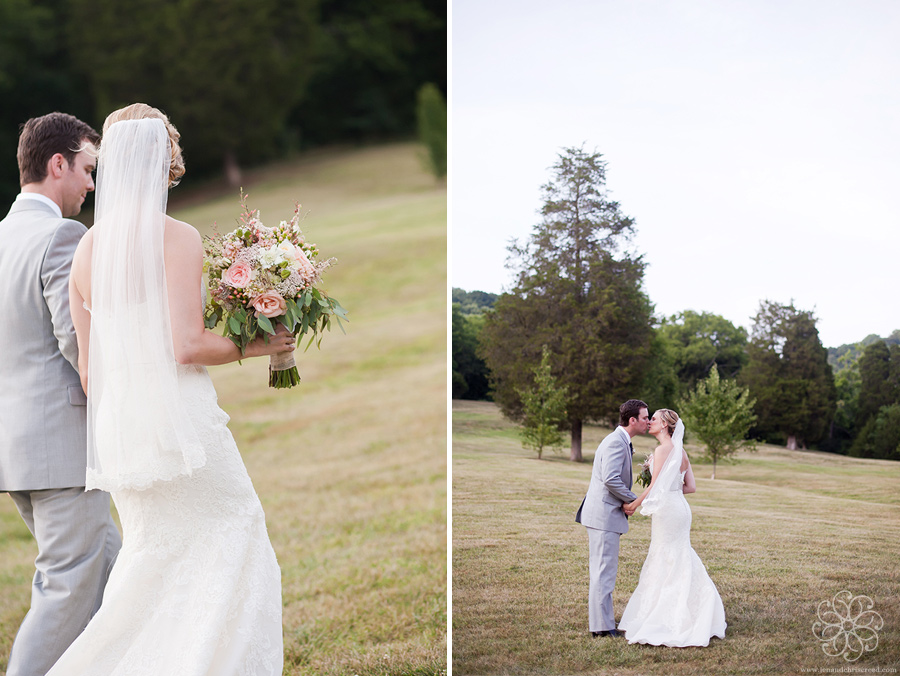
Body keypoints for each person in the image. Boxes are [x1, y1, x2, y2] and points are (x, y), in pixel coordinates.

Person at [46, 103, 293, 674]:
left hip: (122, 429)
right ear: (162, 161)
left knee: (152, 561)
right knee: (237, 529)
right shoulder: (175, 238)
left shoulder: (86, 250)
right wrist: (264, 346)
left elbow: (89, 371)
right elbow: (187, 345)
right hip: (179, 422)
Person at [0, 112, 122, 676]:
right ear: (58, 164)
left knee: (116, 578)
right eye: (87, 169)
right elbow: (78, 344)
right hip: (64, 450)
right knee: (66, 592)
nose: (91, 184)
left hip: (20, 452)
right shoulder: (60, 235)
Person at [618, 408, 726, 646]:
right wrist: (670, 490)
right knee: (679, 554)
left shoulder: (661, 450)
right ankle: (697, 608)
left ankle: (668, 614)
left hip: (668, 512)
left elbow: (655, 486)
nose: (650, 423)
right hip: (680, 508)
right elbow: (691, 487)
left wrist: (634, 503)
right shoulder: (681, 451)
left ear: (665, 425)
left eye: (653, 419)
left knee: (665, 555)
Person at [576, 399, 650, 638]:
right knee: (603, 572)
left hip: (604, 514)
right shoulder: (616, 443)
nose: (648, 422)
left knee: (604, 570)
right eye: (645, 417)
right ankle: (601, 628)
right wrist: (631, 499)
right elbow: (610, 478)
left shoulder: (620, 440)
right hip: (603, 516)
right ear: (632, 420)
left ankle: (603, 621)